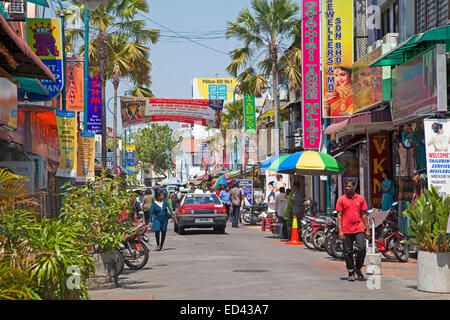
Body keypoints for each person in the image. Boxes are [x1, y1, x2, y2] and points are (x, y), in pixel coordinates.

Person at [336, 180, 370, 282]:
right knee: (348, 251)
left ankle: (357, 268)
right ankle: (351, 272)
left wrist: (367, 229)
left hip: (358, 227)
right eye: (346, 186)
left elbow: (363, 214)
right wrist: (340, 231)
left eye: (349, 186)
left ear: (354, 187)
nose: (347, 188)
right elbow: (339, 215)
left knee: (362, 248)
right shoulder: (341, 199)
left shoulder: (360, 199)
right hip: (346, 229)